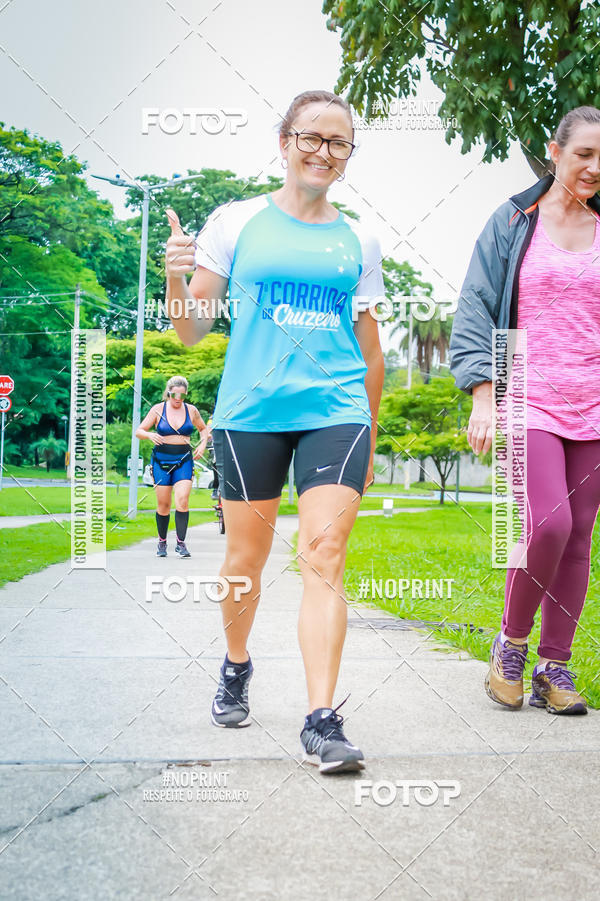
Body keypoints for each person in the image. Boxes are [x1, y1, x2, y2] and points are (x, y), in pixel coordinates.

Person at [164, 89, 385, 773]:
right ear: (285, 140)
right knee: (243, 564)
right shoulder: (235, 222)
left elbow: (370, 347)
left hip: (336, 411)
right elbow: (190, 327)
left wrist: (370, 434)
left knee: (324, 554)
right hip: (250, 415)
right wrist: (175, 278)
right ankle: (236, 665)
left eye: (338, 142)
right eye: (311, 137)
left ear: (348, 155)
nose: (323, 151)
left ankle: (322, 719)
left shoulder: (359, 240)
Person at [450, 105, 600, 716]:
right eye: (584, 153)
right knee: (550, 524)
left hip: (594, 399)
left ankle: (553, 667)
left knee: (579, 537)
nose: (593, 167)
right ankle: (510, 645)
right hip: (525, 387)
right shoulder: (515, 221)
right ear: (555, 151)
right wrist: (484, 392)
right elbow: (476, 305)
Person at [136, 376, 208, 557]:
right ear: (168, 392)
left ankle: (181, 543)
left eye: (182, 396)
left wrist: (202, 444)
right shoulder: (157, 409)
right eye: (175, 394)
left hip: (184, 459)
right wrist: (149, 435)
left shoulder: (191, 410)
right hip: (161, 460)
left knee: (183, 500)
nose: (178, 399)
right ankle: (162, 542)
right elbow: (139, 430)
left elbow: (203, 429)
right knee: (164, 504)